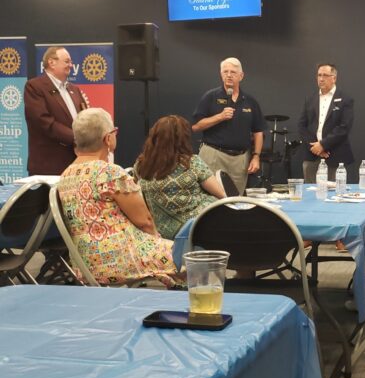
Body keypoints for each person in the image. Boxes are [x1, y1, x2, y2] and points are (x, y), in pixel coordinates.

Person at [57, 108, 180, 287]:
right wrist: (158, 245)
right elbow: (144, 221)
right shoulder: (109, 173)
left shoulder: (65, 175)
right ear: (108, 138)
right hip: (120, 259)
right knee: (190, 257)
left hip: (83, 264)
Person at [135, 115, 226, 239]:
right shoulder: (192, 163)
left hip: (160, 232)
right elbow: (222, 195)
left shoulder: (140, 166)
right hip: (197, 230)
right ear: (183, 138)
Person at [192, 57, 266, 194]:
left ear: (241, 76)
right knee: (209, 199)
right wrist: (219, 117)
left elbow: (258, 131)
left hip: (240, 160)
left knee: (235, 200)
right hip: (213, 155)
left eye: (233, 72)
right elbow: (196, 126)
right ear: (221, 75)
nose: (229, 75)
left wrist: (256, 157)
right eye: (225, 72)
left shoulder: (250, 101)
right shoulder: (210, 96)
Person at [24, 46, 88, 174]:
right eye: (67, 61)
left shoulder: (74, 89)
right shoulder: (35, 87)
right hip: (49, 166)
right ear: (51, 62)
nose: (71, 65)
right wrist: (76, 138)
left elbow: (83, 118)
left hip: (76, 165)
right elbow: (43, 121)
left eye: (70, 62)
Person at [298, 63, 354, 182]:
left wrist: (323, 145)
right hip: (312, 154)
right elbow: (302, 126)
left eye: (325, 75)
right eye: (319, 75)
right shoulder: (310, 99)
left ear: (334, 78)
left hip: (334, 154)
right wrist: (314, 146)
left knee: (334, 194)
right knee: (310, 193)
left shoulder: (345, 99)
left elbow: (344, 127)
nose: (321, 79)